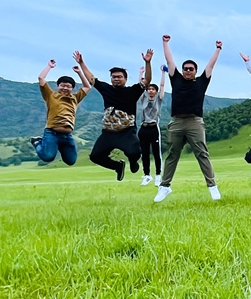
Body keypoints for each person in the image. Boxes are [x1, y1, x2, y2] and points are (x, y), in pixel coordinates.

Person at [154, 35, 222, 203]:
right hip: (176, 122)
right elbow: (169, 61)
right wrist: (165, 43)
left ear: (195, 71)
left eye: (191, 69)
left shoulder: (201, 82)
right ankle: (165, 186)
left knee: (202, 153)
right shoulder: (175, 79)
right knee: (172, 154)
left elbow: (211, 65)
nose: (188, 71)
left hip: (194, 122)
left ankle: (212, 186)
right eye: (185, 68)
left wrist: (218, 49)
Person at [76, 49, 153, 181]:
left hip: (126, 132)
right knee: (95, 156)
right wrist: (82, 63)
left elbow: (147, 80)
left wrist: (148, 63)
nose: (116, 79)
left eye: (119, 77)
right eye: (114, 77)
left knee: (134, 153)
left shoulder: (132, 91)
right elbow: (91, 79)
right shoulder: (106, 89)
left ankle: (133, 162)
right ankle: (117, 166)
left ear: (125, 79)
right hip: (108, 133)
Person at [30, 57, 91, 165]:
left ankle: (58, 146)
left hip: (67, 135)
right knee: (48, 157)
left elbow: (87, 87)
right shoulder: (51, 96)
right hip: (52, 133)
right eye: (62, 85)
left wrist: (79, 73)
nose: (65, 88)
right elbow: (41, 79)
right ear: (58, 86)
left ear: (72, 88)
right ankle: (37, 142)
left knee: (71, 161)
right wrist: (49, 66)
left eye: (68, 86)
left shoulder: (75, 98)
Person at [136, 64, 166, 186]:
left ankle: (158, 175)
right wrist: (141, 74)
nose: (151, 91)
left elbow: (163, 85)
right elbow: (140, 87)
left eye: (153, 89)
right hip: (143, 128)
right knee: (144, 153)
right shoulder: (143, 99)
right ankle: (147, 175)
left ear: (156, 91)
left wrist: (163, 73)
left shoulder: (159, 99)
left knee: (156, 153)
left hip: (154, 128)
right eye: (149, 89)